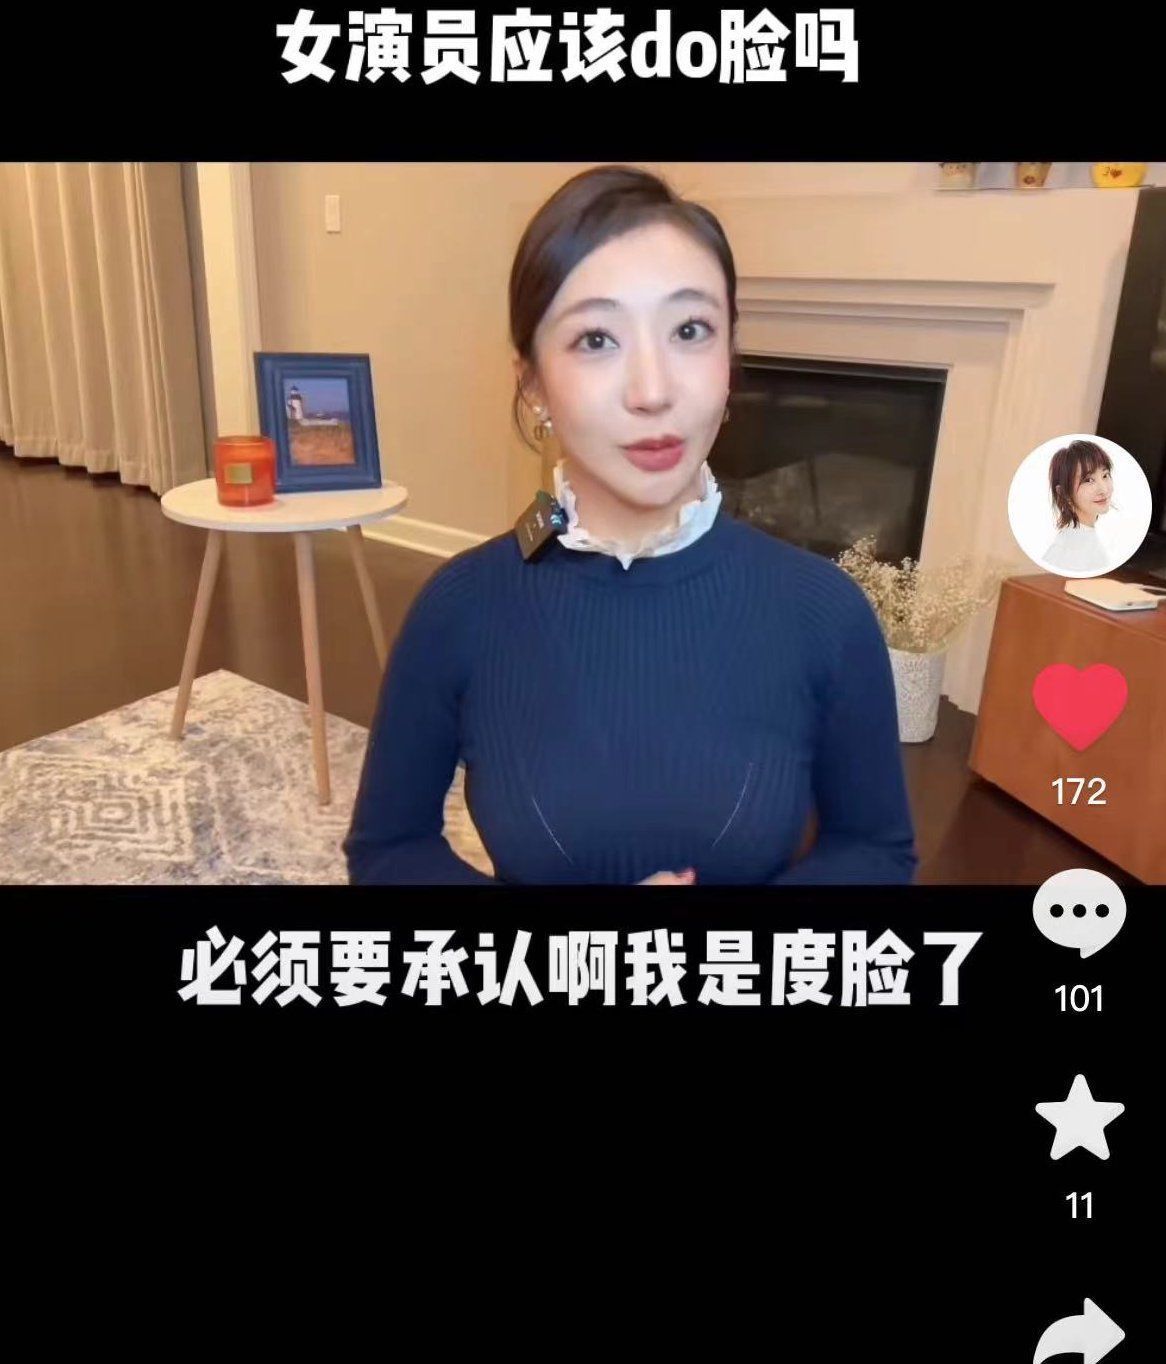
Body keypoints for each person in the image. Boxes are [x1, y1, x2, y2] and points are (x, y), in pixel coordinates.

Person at [343, 165, 918, 885]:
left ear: (729, 359)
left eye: (690, 330)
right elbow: (390, 850)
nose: (653, 391)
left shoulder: (824, 613)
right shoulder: (459, 608)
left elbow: (875, 851)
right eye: (596, 339)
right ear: (532, 382)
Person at [1041, 440, 1134, 575]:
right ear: (1064, 493)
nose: (1103, 489)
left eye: (1105, 475)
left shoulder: (1081, 538)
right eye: (1088, 480)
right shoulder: (1072, 550)